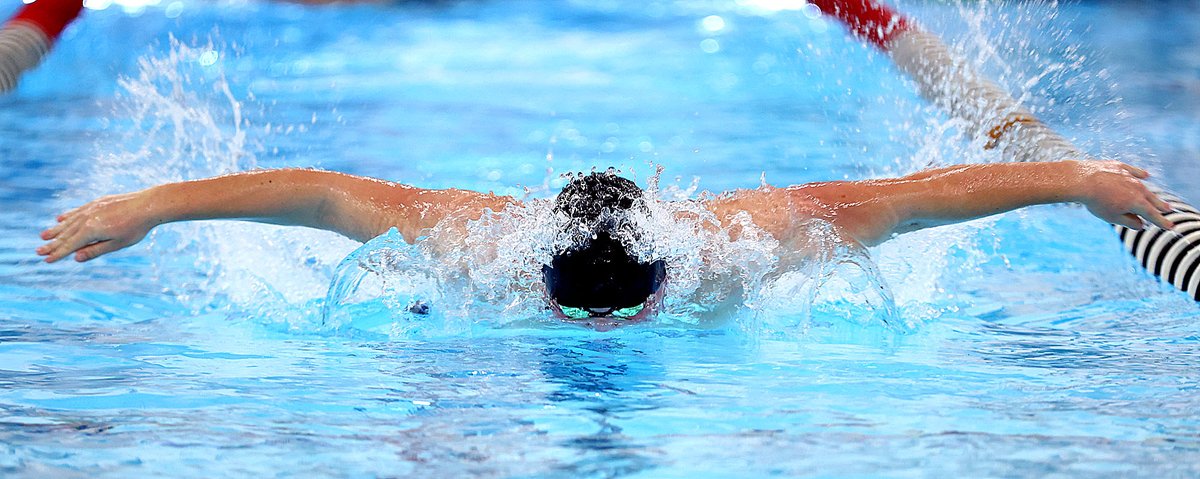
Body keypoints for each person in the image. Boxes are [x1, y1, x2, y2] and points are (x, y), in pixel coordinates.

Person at [37, 160, 1174, 321]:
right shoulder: (480, 241)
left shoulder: (744, 242)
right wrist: (155, 204)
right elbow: (325, 198)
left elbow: (924, 196)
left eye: (621, 310)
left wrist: (1077, 179)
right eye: (584, 311)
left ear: (667, 272)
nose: (606, 330)